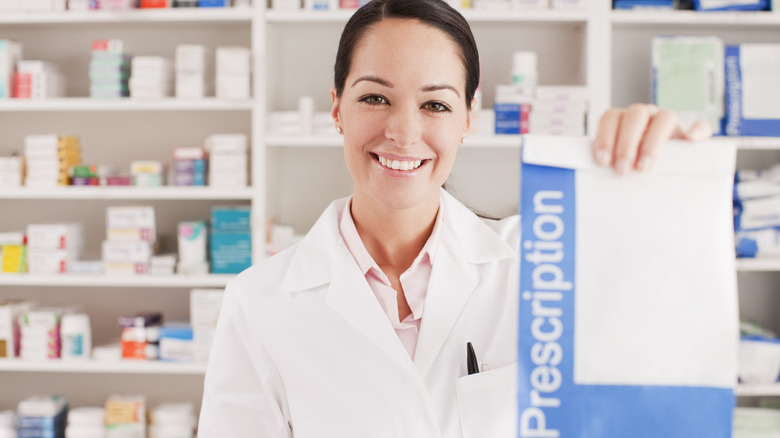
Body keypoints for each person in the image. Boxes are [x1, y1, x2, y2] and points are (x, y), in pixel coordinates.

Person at [197, 0, 712, 436]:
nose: (402, 132)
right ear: (337, 109)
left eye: (436, 105)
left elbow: (659, 345)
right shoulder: (259, 303)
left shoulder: (542, 265)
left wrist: (661, 190)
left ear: (468, 117)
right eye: (375, 97)